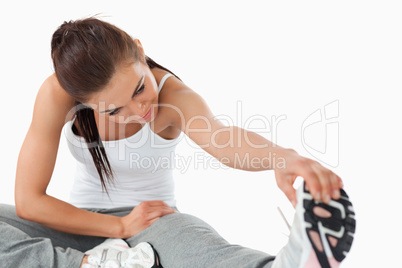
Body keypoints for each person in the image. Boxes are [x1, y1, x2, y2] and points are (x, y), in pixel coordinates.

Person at [0, 16, 355, 268]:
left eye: (140, 88)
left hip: (154, 223)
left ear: (140, 51)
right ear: (81, 100)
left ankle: (289, 262)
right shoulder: (55, 95)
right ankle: (89, 265)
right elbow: (29, 201)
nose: (139, 109)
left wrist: (283, 158)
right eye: (113, 110)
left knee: (200, 250)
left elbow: (222, 139)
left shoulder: (174, 98)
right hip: (76, 225)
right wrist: (118, 228)